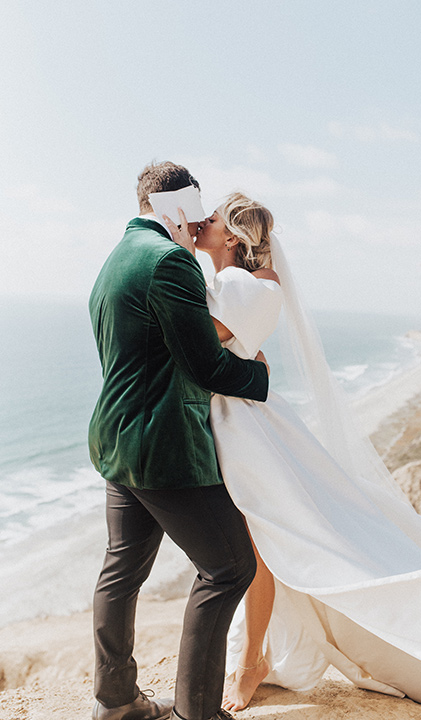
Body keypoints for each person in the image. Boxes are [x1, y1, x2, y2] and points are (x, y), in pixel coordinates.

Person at [163, 192, 421, 720]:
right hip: (228, 418)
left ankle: (251, 660)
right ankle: (254, 654)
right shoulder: (233, 282)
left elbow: (199, 340)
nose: (202, 222)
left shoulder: (246, 284)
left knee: (260, 546)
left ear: (235, 237)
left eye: (213, 218)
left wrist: (185, 258)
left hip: (244, 429)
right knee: (257, 546)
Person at [88, 163, 270, 720]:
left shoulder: (115, 258)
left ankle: (116, 703)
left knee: (121, 570)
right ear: (173, 207)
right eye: (194, 211)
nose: (198, 224)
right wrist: (259, 375)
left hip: (115, 439)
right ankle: (199, 712)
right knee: (230, 568)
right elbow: (204, 364)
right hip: (163, 447)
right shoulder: (169, 261)